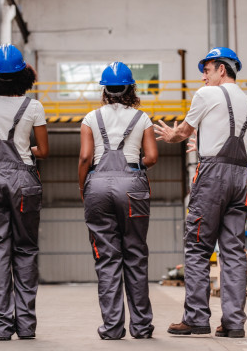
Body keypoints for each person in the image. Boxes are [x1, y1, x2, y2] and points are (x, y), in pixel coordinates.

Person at [154, 47, 247, 339]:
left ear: (222, 69)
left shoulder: (205, 95)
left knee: (198, 248)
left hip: (213, 177)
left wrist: (172, 136)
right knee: (233, 252)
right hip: (241, 176)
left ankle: (197, 319)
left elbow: (183, 131)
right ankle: (234, 323)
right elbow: (235, 140)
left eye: (207, 69)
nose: (204, 76)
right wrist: (207, 144)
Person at [0, 44, 49, 341]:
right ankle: (26, 325)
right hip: (25, 181)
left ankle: (2, 327)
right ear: (24, 75)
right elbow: (45, 150)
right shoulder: (34, 107)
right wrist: (24, 149)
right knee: (25, 250)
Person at [78, 62, 158, 340]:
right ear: (131, 88)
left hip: (97, 186)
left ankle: (112, 328)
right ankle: (142, 327)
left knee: (107, 259)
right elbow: (152, 157)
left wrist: (84, 187)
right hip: (133, 187)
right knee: (135, 255)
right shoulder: (142, 118)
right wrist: (133, 164)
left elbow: (86, 158)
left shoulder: (90, 118)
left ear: (105, 90)